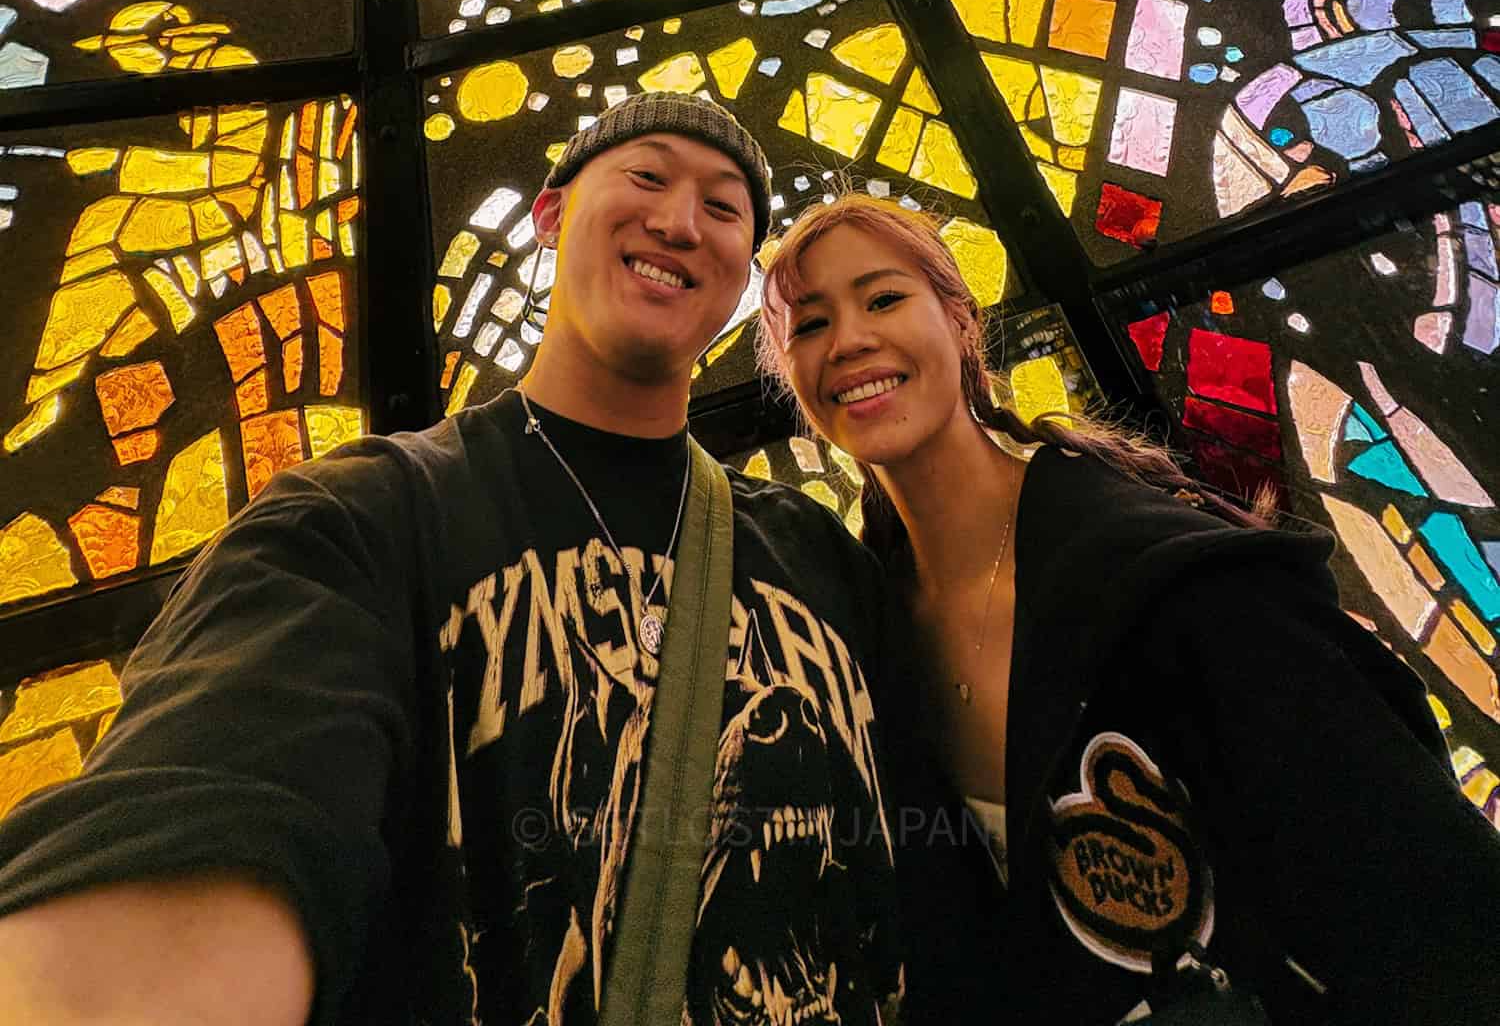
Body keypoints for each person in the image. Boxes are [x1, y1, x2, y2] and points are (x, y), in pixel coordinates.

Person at [0, 98, 904, 1026]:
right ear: (550, 216)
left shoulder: (818, 555)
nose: (679, 221)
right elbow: (215, 807)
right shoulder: (362, 520)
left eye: (724, 210)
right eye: (646, 176)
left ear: (741, 282)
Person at [756, 191, 1500, 1024]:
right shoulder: (859, 640)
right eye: (809, 325)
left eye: (884, 298)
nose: (850, 340)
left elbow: (1423, 893)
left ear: (960, 322)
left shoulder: (1176, 579)